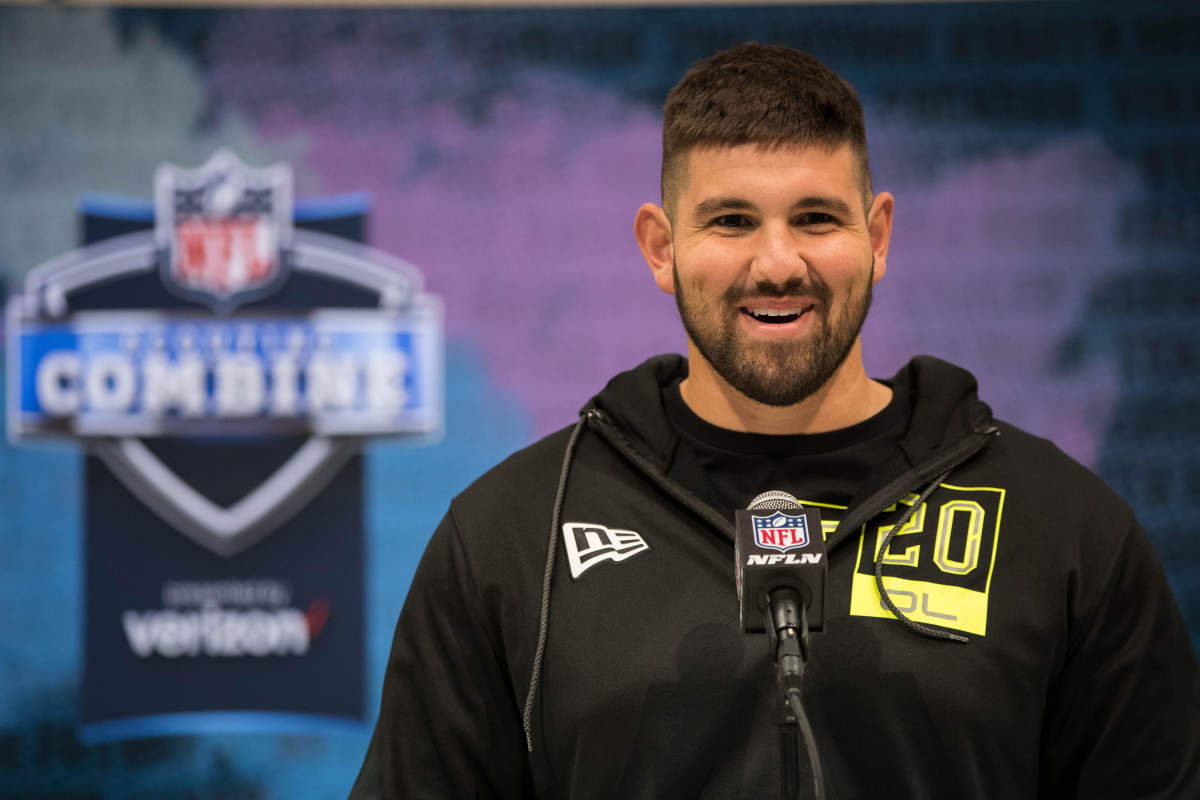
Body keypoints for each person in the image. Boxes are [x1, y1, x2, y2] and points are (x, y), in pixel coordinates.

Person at [350, 43, 1200, 799]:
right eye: (731, 221)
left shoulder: (1064, 528)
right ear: (660, 247)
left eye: (816, 218)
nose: (778, 263)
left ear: (878, 236)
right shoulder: (510, 538)